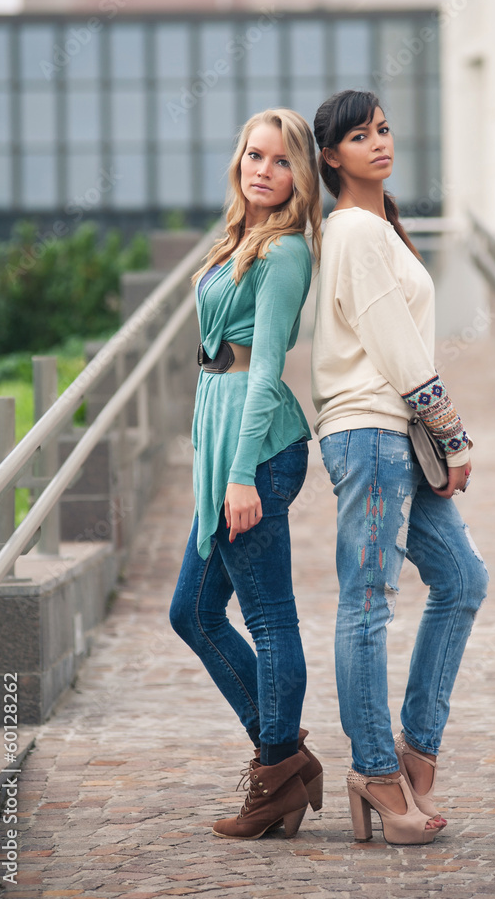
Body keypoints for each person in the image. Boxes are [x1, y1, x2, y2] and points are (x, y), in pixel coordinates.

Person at [311, 90, 489, 846]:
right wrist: (452, 433)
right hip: (371, 432)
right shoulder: (352, 229)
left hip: (394, 435)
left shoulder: (378, 226)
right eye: (359, 136)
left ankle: (416, 750)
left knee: (462, 579)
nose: (378, 143)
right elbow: (392, 341)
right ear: (329, 157)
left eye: (382, 129)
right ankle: (376, 772)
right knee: (368, 602)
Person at [170, 108, 323, 841]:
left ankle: (275, 772)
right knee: (192, 613)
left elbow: (266, 370)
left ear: (300, 175)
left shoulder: (284, 251)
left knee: (267, 616)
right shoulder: (239, 237)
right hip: (224, 429)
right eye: (253, 155)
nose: (262, 169)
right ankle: (284, 760)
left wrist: (238, 477)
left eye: (281, 160)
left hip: (257, 447)